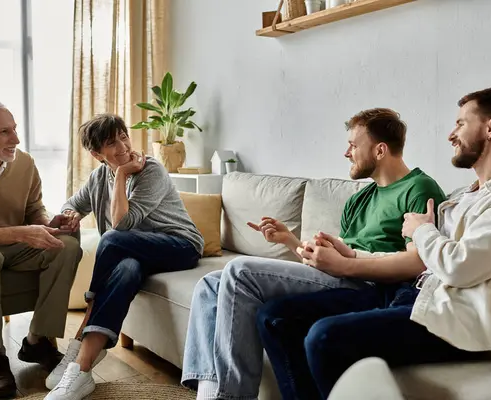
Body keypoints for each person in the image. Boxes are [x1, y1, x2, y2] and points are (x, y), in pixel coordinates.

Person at [257, 88, 491, 399]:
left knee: (324, 336)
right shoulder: (467, 197)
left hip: (455, 322)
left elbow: (460, 266)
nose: (451, 135)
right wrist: (352, 253)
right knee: (276, 317)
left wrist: (422, 231)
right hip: (413, 295)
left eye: (461, 124)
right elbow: (427, 262)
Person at [181, 108, 447, 400]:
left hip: (372, 286)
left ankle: (231, 397)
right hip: (339, 275)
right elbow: (328, 263)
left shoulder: (419, 189)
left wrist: (344, 264)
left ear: (380, 150)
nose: (347, 153)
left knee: (239, 271)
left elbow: (418, 263)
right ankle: (208, 393)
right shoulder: (359, 199)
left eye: (354, 145)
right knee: (209, 285)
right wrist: (290, 241)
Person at [44, 113, 204, 400]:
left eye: (123, 137)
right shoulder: (97, 177)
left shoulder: (150, 169)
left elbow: (121, 225)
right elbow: (73, 203)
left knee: (113, 239)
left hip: (180, 246)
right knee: (127, 269)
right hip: (139, 253)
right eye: (111, 143)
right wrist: (70, 214)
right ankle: (81, 371)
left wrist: (121, 174)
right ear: (96, 154)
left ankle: (81, 334)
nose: (123, 146)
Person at [0, 97, 82, 398]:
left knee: (66, 246)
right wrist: (24, 233)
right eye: (4, 132)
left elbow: (33, 209)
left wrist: (49, 223)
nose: (16, 139)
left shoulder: (24, 163)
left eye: (14, 129)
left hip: (15, 248)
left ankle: (37, 342)